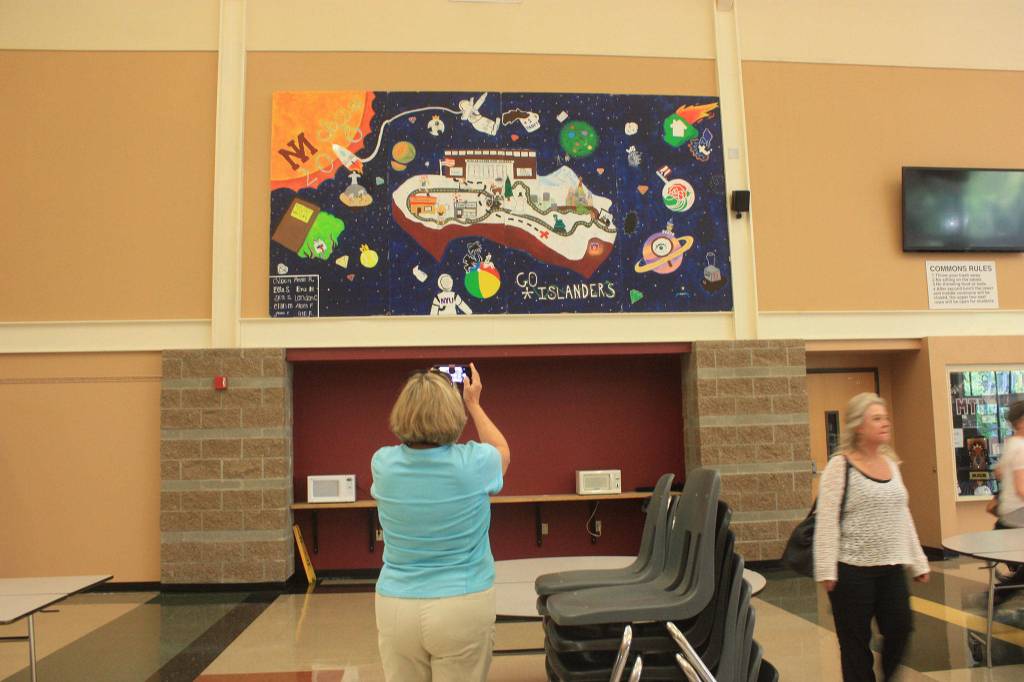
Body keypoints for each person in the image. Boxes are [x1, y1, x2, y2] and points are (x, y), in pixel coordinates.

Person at [371, 363, 510, 682]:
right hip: (461, 606)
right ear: (452, 413)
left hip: (396, 606)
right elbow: (502, 450)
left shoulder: (383, 464)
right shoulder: (475, 464)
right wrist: (473, 404)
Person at [814, 393, 930, 682]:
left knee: (901, 628)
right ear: (858, 426)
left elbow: (902, 515)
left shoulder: (891, 464)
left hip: (891, 567)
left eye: (885, 417)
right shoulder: (840, 467)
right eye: (876, 418)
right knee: (855, 643)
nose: (885, 423)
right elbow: (826, 521)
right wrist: (827, 569)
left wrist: (919, 561)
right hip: (851, 569)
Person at [993, 400, 1024, 529]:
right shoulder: (1021, 447)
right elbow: (1021, 489)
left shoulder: (1011, 443)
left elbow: (998, 472)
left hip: (1007, 512)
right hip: (1018, 513)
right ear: (1022, 422)